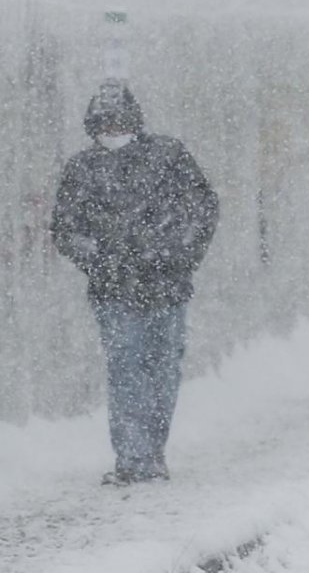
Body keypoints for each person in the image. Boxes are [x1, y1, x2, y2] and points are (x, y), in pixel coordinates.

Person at [51, 79, 220, 485]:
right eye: (104, 124)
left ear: (134, 121)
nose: (112, 131)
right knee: (126, 368)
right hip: (114, 290)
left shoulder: (169, 156)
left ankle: (152, 452)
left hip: (167, 285)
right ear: (92, 127)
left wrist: (174, 252)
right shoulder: (82, 169)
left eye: (119, 122)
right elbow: (65, 229)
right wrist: (104, 257)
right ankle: (132, 458)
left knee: (162, 371)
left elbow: (202, 209)